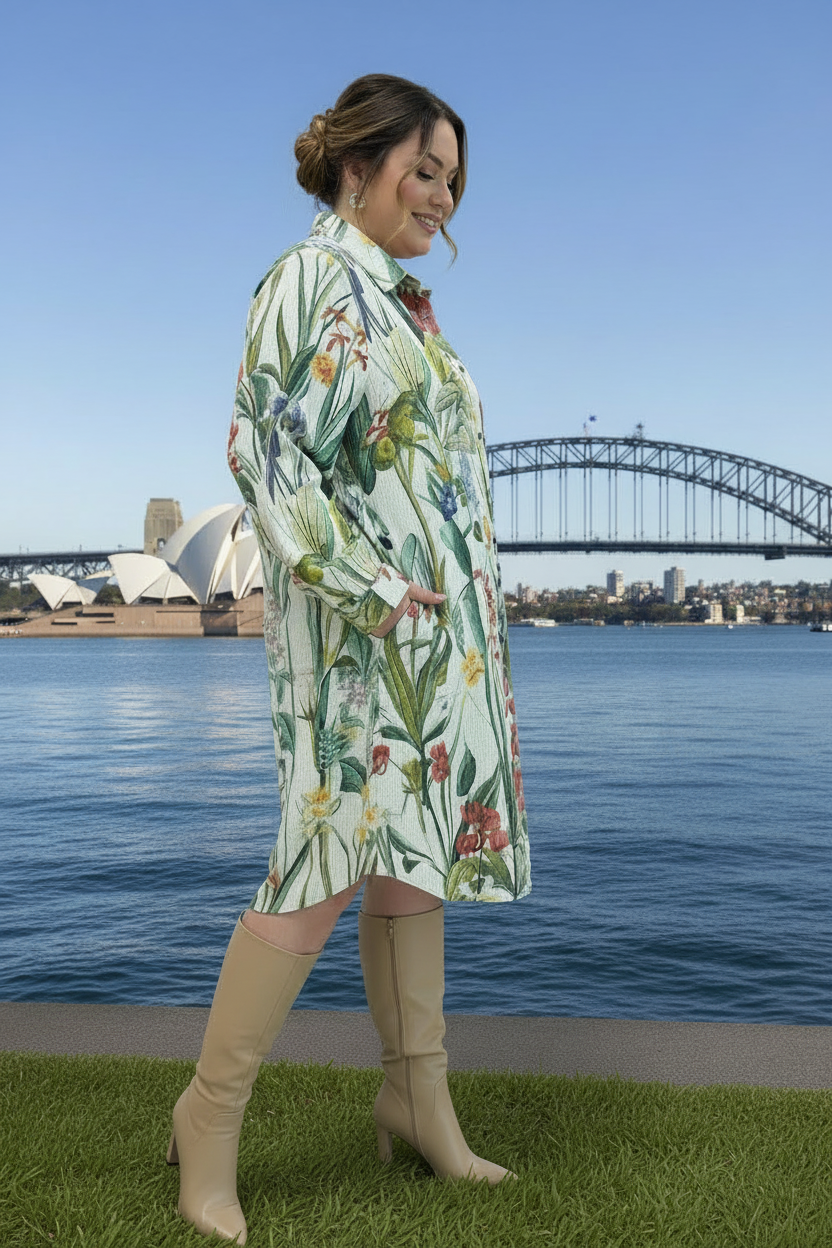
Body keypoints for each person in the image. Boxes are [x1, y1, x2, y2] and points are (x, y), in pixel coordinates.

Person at [168, 73, 531, 1243]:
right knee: (317, 868)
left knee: (412, 862)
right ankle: (207, 1119)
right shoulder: (310, 278)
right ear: (356, 165)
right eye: (423, 170)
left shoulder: (404, 305)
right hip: (357, 637)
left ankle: (417, 1102)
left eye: (452, 179)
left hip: (436, 649)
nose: (441, 196)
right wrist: (373, 589)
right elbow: (265, 457)